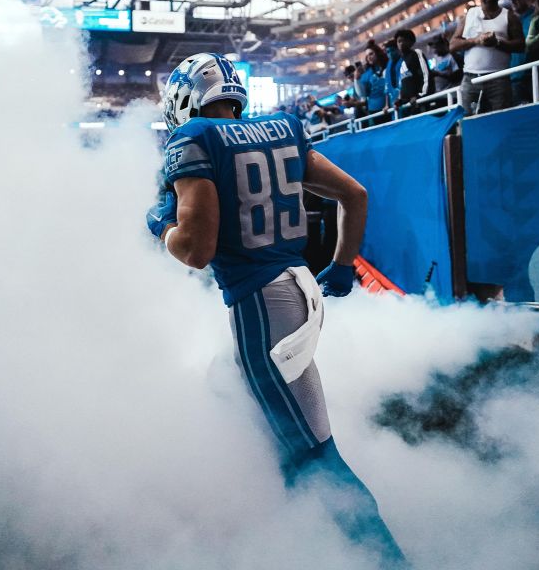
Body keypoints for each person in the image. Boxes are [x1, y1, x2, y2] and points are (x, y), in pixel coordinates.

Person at [146, 52, 408, 568]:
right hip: (299, 287)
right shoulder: (281, 129)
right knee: (232, 399)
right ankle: (286, 536)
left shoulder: (193, 138)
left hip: (260, 305)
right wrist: (342, 263)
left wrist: (160, 226)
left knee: (311, 455)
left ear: (182, 99)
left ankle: (385, 558)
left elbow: (196, 250)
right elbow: (353, 195)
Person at [451, 0, 525, 115]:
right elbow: (453, 45)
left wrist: (497, 42)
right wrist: (476, 41)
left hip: (499, 77)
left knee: (502, 117)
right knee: (467, 119)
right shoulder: (469, 15)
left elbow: (521, 45)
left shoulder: (509, 16)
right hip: (470, 78)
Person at [507, 0, 536, 102]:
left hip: (535, 73)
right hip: (515, 77)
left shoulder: (537, 16)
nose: (513, 1)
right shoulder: (511, 22)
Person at [393, 28, 430, 114]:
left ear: (410, 41)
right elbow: (401, 83)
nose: (401, 44)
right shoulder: (400, 61)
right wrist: (400, 100)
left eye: (403, 40)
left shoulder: (417, 53)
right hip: (407, 105)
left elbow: (426, 75)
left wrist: (419, 96)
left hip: (419, 102)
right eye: (398, 41)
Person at [358, 43, 390, 126]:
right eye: (367, 56)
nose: (369, 57)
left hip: (390, 105)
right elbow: (363, 94)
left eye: (371, 54)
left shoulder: (388, 65)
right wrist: (356, 79)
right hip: (374, 109)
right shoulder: (367, 73)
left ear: (378, 53)